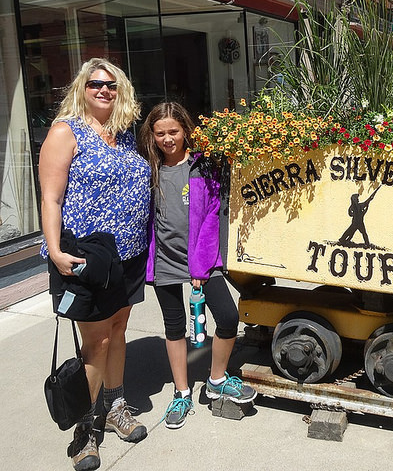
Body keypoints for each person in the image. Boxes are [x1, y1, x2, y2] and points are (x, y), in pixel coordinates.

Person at [39, 58, 151, 471]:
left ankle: (115, 404)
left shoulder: (123, 136)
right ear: (82, 89)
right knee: (96, 342)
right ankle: (85, 430)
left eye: (111, 85)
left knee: (118, 330)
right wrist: (54, 250)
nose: (103, 91)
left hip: (129, 254)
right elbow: (50, 198)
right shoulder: (65, 132)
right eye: (95, 84)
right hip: (85, 257)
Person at [137, 102, 256, 430]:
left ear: (186, 130)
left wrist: (200, 269)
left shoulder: (205, 167)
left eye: (173, 131)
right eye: (159, 133)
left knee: (229, 317)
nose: (167, 139)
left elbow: (210, 218)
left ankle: (217, 378)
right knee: (175, 327)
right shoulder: (151, 169)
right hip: (165, 260)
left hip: (201, 260)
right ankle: (182, 392)